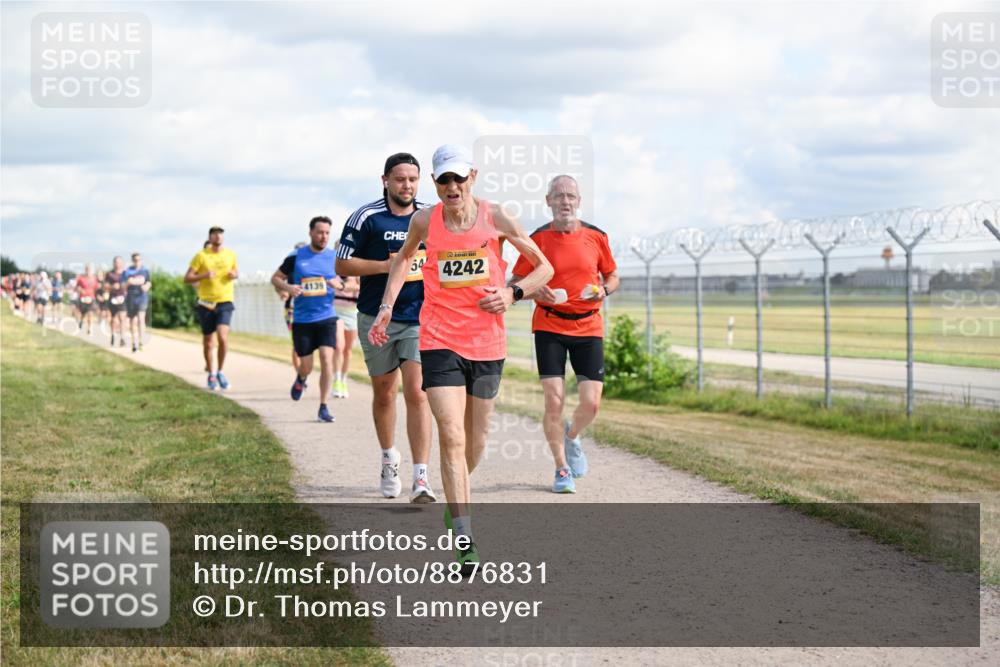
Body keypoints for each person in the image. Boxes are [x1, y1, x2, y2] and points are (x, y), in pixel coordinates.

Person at [368, 144, 553, 572]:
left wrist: (512, 292)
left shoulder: (497, 217)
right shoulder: (424, 220)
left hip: (487, 343)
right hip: (438, 339)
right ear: (435, 184)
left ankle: (457, 501)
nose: (451, 187)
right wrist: (386, 306)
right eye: (443, 180)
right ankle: (465, 537)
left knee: (476, 442)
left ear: (473, 176)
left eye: (458, 178)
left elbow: (542, 266)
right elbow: (401, 262)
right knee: (450, 436)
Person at [336, 152, 437, 503]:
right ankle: (388, 457)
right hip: (374, 316)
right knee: (384, 392)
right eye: (399, 179)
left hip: (418, 317)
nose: (406, 185)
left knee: (418, 392)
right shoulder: (366, 218)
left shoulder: (429, 217)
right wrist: (385, 266)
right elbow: (342, 264)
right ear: (385, 181)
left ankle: (421, 475)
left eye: (412, 179)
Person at [510, 175, 619, 493]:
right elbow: (514, 283)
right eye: (558, 196)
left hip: (589, 326)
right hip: (550, 326)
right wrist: (533, 292)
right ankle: (561, 470)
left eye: (571, 195)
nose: (565, 201)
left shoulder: (596, 236)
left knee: (592, 403)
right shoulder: (537, 239)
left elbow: (612, 276)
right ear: (548, 201)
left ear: (579, 200)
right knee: (554, 402)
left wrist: (603, 291)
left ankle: (572, 437)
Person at [271, 217, 341, 423]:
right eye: (320, 232)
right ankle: (301, 377)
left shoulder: (335, 257)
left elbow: (353, 284)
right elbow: (275, 278)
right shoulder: (296, 256)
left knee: (327, 360)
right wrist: (289, 288)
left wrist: (341, 286)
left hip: (327, 317)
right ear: (310, 233)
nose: (324, 236)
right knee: (307, 366)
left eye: (327, 233)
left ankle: (323, 406)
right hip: (302, 320)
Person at [184, 226, 239, 391]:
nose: (218, 237)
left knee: (222, 337)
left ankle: (221, 371)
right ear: (210, 237)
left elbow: (236, 271)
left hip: (225, 301)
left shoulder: (230, 254)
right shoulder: (201, 256)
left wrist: (234, 275)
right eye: (215, 234)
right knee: (208, 342)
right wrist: (204, 275)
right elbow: (187, 278)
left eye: (220, 234)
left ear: (223, 237)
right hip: (206, 303)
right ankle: (211, 373)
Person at [332, 268, 360, 398]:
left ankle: (343, 380)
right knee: (338, 346)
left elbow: (358, 287)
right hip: (335, 311)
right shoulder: (333, 271)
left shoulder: (356, 272)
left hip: (351, 312)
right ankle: (336, 380)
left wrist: (343, 286)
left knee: (348, 350)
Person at [124, 252, 152, 352]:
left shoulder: (145, 271)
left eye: (139, 260)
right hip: (131, 297)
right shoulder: (128, 271)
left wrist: (146, 286)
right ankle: (134, 342)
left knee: (141, 318)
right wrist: (129, 282)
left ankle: (141, 341)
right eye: (135, 260)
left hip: (142, 297)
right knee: (133, 321)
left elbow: (149, 282)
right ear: (132, 261)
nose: (137, 262)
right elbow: (124, 285)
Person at [105, 257, 127, 347]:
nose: (117, 264)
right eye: (116, 262)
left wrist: (122, 286)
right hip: (112, 298)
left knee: (122, 319)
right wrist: (112, 287)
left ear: (122, 263)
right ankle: (113, 335)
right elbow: (105, 286)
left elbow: (128, 284)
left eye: (119, 262)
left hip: (123, 298)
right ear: (113, 263)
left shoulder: (126, 273)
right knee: (113, 319)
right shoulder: (109, 274)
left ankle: (122, 338)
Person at [75, 264, 99, 335]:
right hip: (83, 298)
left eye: (90, 269)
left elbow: (97, 288)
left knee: (90, 313)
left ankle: (89, 328)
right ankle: (81, 320)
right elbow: (77, 287)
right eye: (87, 269)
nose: (88, 270)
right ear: (85, 270)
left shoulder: (95, 278)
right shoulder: (81, 278)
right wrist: (80, 290)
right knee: (83, 313)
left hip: (91, 298)